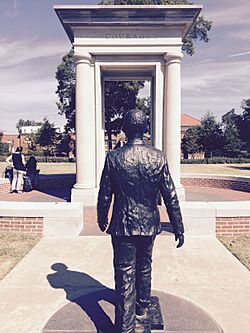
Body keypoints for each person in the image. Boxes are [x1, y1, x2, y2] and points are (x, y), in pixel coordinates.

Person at [97, 109, 184, 333]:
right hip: (148, 224)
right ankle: (141, 310)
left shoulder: (114, 157)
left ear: (125, 130)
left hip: (123, 224)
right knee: (144, 266)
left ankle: (126, 325)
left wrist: (102, 216)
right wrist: (178, 226)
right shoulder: (158, 157)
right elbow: (170, 194)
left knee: (125, 272)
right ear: (145, 129)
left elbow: (105, 194)